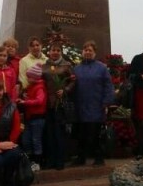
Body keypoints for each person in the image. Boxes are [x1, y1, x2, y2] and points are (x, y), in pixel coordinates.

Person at [72, 40, 115, 166]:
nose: (87, 52)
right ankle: (81, 157)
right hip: (80, 106)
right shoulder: (77, 69)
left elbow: (108, 86)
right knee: (81, 134)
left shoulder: (101, 68)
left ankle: (99, 157)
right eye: (85, 50)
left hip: (96, 106)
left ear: (95, 53)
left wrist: (106, 102)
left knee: (95, 134)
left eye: (90, 50)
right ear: (82, 52)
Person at [42, 42, 75, 170]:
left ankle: (60, 160)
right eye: (53, 50)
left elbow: (73, 80)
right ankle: (50, 160)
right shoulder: (44, 66)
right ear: (49, 52)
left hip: (60, 105)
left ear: (61, 52)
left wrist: (65, 90)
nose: (55, 52)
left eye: (57, 50)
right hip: (47, 104)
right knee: (49, 134)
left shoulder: (66, 66)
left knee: (59, 133)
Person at [17, 64, 47, 171]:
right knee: (26, 139)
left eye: (30, 77)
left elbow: (40, 101)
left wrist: (25, 102)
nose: (28, 79)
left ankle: (37, 162)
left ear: (35, 77)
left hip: (37, 118)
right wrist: (26, 97)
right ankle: (29, 160)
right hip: (30, 117)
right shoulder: (31, 87)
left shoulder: (39, 87)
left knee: (36, 140)